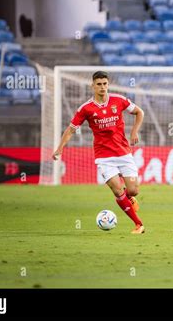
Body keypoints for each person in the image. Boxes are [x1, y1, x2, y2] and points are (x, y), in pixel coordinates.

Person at [53, 71, 145, 234]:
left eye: (105, 84)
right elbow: (71, 130)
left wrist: (134, 132)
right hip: (104, 157)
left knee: (133, 190)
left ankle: (129, 197)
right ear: (93, 86)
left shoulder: (119, 100)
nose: (102, 87)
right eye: (99, 84)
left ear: (108, 84)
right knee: (117, 190)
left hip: (124, 153)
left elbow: (140, 112)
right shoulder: (86, 109)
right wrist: (60, 148)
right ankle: (139, 224)